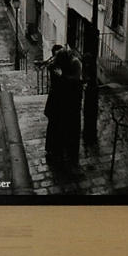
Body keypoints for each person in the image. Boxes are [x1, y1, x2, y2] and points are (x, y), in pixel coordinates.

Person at [43, 44, 85, 192]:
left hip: (66, 107)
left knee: (64, 133)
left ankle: (61, 156)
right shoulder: (57, 66)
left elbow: (74, 83)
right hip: (60, 106)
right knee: (59, 132)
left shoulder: (73, 64)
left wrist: (63, 76)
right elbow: (65, 83)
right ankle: (59, 155)